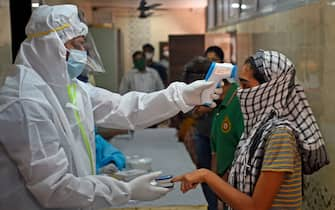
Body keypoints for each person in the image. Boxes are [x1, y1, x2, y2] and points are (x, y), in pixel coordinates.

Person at [0, 5, 223, 210]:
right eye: (76, 44)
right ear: (50, 45)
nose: (83, 52)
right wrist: (126, 191)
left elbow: (126, 108)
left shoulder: (69, 87)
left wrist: (181, 96)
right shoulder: (26, 102)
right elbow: (55, 188)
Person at [172, 50, 329, 210]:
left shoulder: (280, 135)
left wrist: (206, 175)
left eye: (245, 85)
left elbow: (256, 207)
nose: (240, 93)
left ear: (271, 89)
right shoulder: (258, 127)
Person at [191, 46, 225, 210]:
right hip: (203, 133)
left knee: (221, 175)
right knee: (203, 171)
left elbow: (228, 105)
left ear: (222, 62)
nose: (211, 63)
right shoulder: (201, 82)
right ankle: (210, 206)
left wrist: (210, 107)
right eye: (208, 60)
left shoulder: (227, 83)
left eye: (215, 59)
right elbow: (193, 110)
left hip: (221, 138)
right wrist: (197, 111)